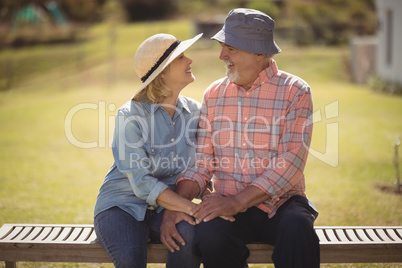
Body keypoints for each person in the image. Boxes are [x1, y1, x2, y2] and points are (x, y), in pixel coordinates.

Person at [161, 8, 320, 268]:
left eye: (231, 49)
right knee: (209, 234)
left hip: (281, 204)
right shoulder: (214, 94)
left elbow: (290, 164)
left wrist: (237, 202)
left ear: (259, 53)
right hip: (226, 206)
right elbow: (201, 164)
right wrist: (176, 204)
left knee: (298, 229)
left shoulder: (295, 91)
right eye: (223, 47)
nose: (222, 55)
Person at [94, 32, 204, 268]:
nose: (190, 61)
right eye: (181, 57)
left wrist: (208, 197)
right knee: (131, 260)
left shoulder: (196, 112)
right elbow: (141, 182)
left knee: (189, 236)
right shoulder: (130, 115)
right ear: (162, 72)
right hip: (121, 206)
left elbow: (203, 166)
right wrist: (192, 208)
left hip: (169, 206)